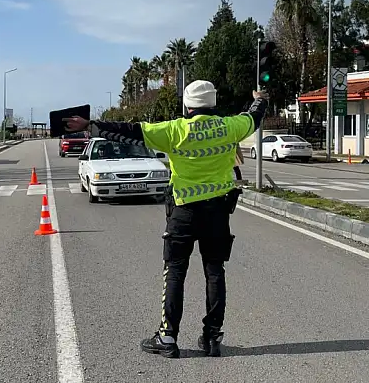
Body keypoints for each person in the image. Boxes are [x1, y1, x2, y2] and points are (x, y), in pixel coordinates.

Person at [63, 80, 268, 358]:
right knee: (215, 271)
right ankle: (211, 338)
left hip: (184, 212)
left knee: (175, 271)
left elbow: (130, 131)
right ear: (213, 103)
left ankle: (168, 337)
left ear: (187, 105)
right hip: (218, 212)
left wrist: (90, 125)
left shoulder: (174, 130)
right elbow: (253, 118)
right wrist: (260, 98)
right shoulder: (230, 127)